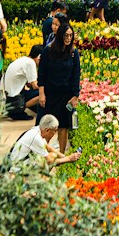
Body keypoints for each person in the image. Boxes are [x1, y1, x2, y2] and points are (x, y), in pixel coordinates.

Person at [37, 18, 81, 152]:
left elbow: (76, 75)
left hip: (65, 95)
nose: (68, 38)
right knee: (47, 125)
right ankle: (44, 152)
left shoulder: (73, 53)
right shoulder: (48, 51)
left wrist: (75, 96)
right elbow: (42, 74)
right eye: (66, 35)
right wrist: (41, 93)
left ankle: (61, 154)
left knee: (63, 125)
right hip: (50, 94)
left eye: (70, 36)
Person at [7, 113, 82, 172]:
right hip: (16, 169)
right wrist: (68, 159)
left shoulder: (37, 130)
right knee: (50, 158)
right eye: (54, 131)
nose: (55, 134)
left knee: (52, 155)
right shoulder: (36, 138)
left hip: (22, 163)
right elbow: (49, 160)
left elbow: (48, 147)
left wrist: (63, 156)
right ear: (47, 130)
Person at [4, 42, 43, 118]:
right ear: (39, 57)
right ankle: (20, 108)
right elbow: (35, 86)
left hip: (10, 97)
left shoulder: (24, 59)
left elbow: (29, 84)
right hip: (15, 99)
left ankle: (19, 108)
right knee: (45, 92)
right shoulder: (31, 63)